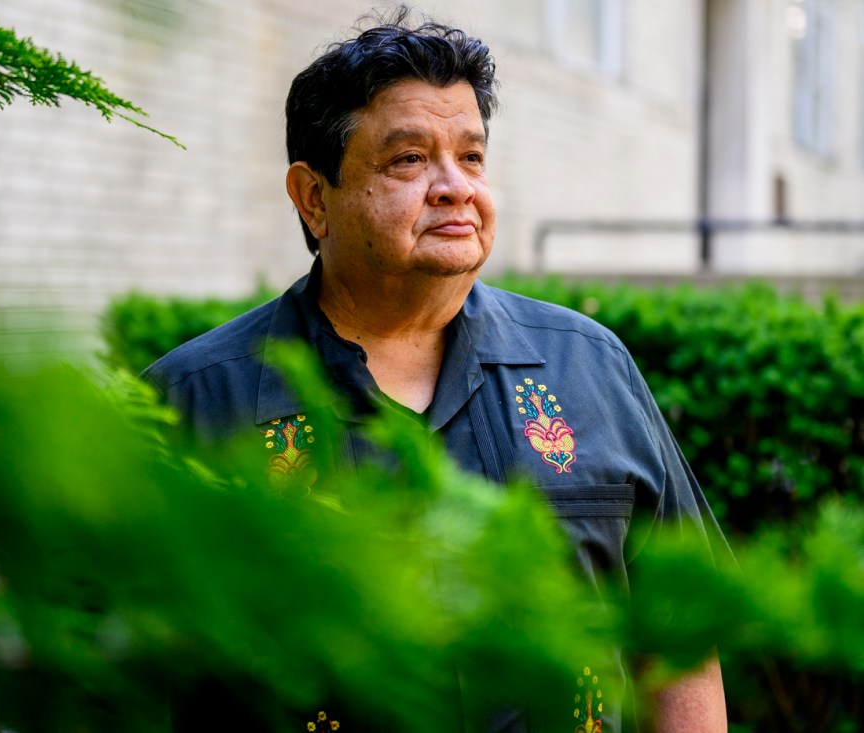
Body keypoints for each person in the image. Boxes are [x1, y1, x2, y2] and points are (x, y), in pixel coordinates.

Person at [143, 7, 728, 732]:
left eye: (472, 156)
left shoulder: (590, 365)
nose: (455, 186)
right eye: (409, 159)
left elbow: (680, 633)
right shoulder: (196, 398)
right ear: (313, 197)